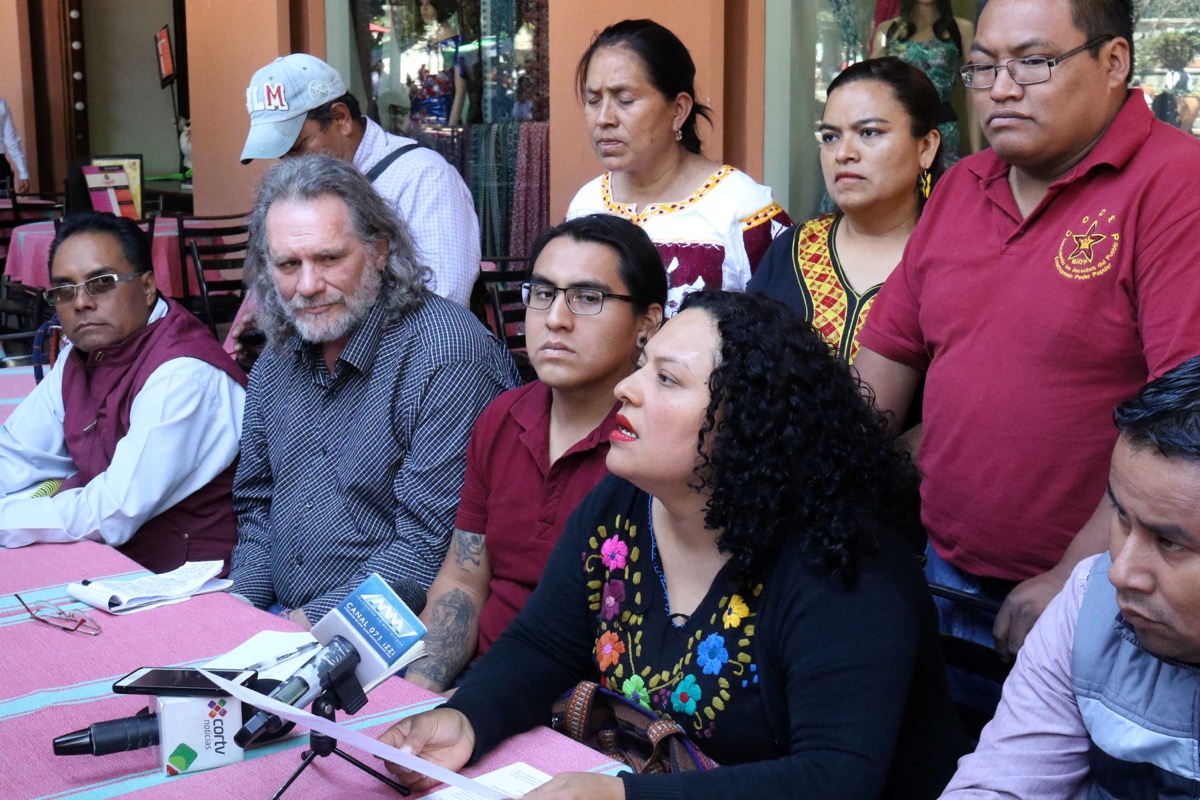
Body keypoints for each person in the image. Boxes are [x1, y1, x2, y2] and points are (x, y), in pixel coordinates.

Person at [381, 291, 967, 800]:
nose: (624, 388)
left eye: (666, 379)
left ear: (747, 424)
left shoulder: (843, 565)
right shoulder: (622, 505)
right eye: (642, 366)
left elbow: (834, 780)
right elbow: (542, 646)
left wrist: (627, 796)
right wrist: (467, 718)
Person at [853, 0, 1200, 662]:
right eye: (983, 67)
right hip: (942, 571)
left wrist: (1078, 575)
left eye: (1033, 62)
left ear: (1114, 62)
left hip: (1106, 595)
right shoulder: (960, 187)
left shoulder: (1178, 184)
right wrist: (803, 487)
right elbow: (880, 375)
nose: (1002, 89)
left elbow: (1185, 426)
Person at [228, 154, 519, 627]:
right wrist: (242, 609)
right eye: (287, 264)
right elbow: (257, 508)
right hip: (281, 623)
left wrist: (301, 626)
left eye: (329, 258)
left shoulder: (445, 356)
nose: (307, 285)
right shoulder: (278, 356)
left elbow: (428, 548)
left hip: (396, 637)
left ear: (379, 251)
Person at [405, 214, 666, 693]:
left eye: (587, 298)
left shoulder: (656, 446)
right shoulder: (502, 418)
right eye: (543, 293)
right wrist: (416, 696)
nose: (555, 319)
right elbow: (463, 581)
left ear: (646, 324)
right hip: (476, 687)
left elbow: (635, 640)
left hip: (585, 706)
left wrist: (477, 708)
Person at [941, 355, 1200, 798]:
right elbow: (1003, 782)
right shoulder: (1086, 604)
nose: (1119, 572)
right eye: (1121, 516)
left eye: (1170, 543)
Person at [0, 213, 246, 572]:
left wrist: (7, 518)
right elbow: (19, 453)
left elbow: (113, 509)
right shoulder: (78, 357)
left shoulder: (184, 375)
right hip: (112, 566)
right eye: (64, 290)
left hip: (193, 583)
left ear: (147, 287)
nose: (80, 302)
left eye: (101, 283)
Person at [566, 19, 792, 316]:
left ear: (679, 110)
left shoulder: (741, 208)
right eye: (593, 100)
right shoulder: (586, 204)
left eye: (625, 100)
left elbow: (784, 329)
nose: (604, 118)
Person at [241, 53, 479, 307]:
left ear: (340, 118)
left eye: (298, 147)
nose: (291, 164)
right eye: (281, 155)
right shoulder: (299, 190)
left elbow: (444, 301)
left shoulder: (423, 177)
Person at [748, 57, 941, 364]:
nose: (843, 153)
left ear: (926, 147)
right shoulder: (793, 248)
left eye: (869, 132)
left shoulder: (951, 259)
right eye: (830, 137)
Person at [873, 0, 981, 164]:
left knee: (943, 178)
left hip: (943, 131)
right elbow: (873, 89)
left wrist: (977, 153)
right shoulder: (887, 31)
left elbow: (972, 88)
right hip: (900, 132)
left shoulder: (961, 30)